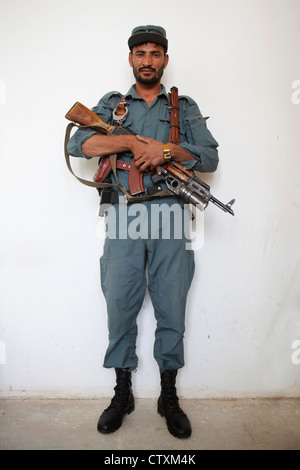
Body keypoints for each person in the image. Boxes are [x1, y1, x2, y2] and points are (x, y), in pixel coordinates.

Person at [67, 25, 219, 439]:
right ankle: (123, 393)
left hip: (170, 212)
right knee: (120, 302)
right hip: (122, 214)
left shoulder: (182, 107)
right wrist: (130, 144)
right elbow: (78, 145)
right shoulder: (112, 106)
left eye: (155, 53)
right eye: (141, 53)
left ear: (165, 60)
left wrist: (164, 150)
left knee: (171, 303)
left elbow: (208, 156)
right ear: (131, 58)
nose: (148, 60)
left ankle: (168, 394)